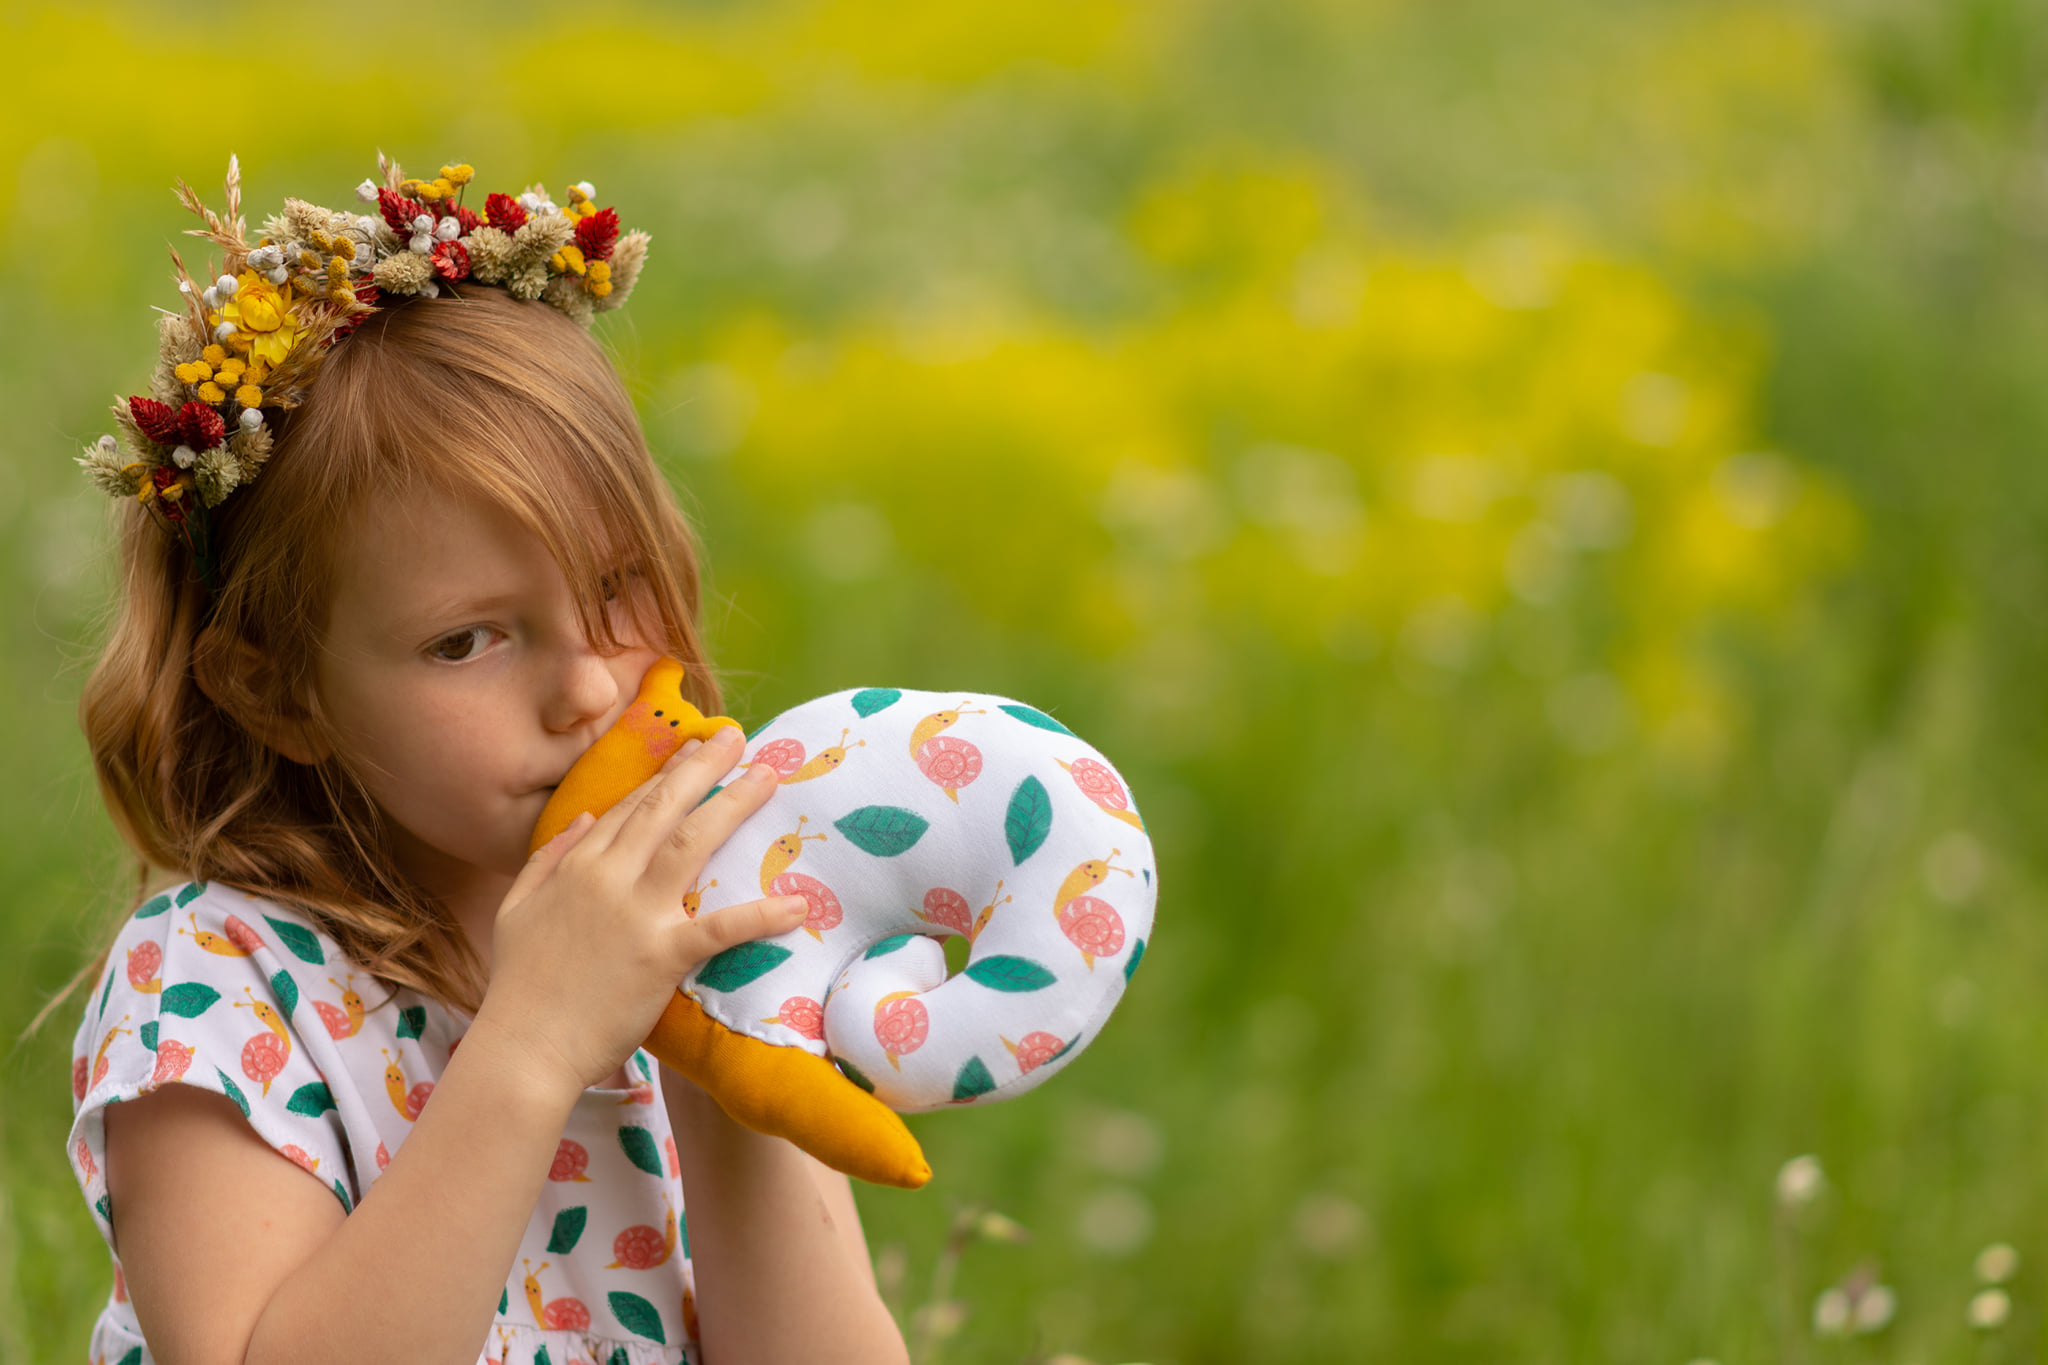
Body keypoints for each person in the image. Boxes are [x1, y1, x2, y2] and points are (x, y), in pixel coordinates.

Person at [63, 162, 911, 1365]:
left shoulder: (700, 937)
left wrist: (729, 1074)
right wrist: (534, 1039)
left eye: (618, 590)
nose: (585, 688)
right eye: (466, 641)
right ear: (278, 690)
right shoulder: (218, 979)